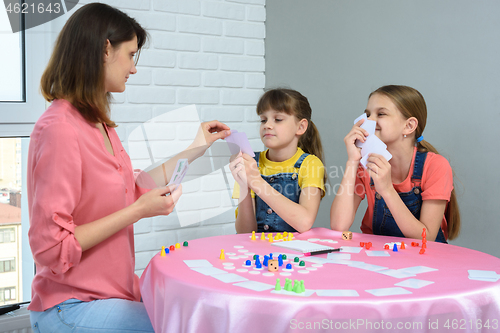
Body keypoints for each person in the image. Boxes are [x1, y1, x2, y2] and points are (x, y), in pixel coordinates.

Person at [27, 3, 230, 332]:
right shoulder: (59, 129)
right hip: (71, 306)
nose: (133, 68)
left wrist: (198, 146)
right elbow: (52, 248)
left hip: (109, 295)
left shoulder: (100, 126)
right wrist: (137, 211)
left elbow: (135, 188)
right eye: (131, 54)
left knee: (191, 312)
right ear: (105, 49)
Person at [330, 85, 460, 243]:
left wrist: (387, 190)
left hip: (424, 260)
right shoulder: (364, 164)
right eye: (368, 114)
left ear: (409, 126)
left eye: (381, 114)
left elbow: (427, 237)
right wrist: (352, 161)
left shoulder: (436, 166)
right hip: (379, 255)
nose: (368, 121)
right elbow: (338, 225)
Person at [230, 88, 326, 234]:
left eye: (278, 119)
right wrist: (244, 185)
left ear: (301, 127)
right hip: (257, 251)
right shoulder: (250, 163)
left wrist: (256, 182)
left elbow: (304, 222)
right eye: (263, 119)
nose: (267, 125)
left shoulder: (310, 164)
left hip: (293, 252)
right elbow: (245, 232)